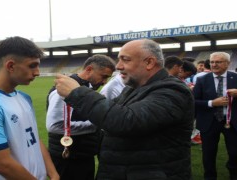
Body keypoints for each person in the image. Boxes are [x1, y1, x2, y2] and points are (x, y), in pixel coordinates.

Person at [54, 39, 194, 179]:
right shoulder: (135, 88)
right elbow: (111, 113)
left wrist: (77, 93)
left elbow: (126, 121)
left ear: (149, 63)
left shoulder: (172, 90)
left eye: (125, 60)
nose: (118, 66)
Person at [0, 36, 59, 180]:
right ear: (10, 66)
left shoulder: (24, 97)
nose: (37, 72)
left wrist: (53, 174)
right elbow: (2, 164)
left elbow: (33, 138)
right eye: (32, 65)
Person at [46, 54, 116, 180]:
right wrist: (97, 124)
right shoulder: (64, 89)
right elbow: (54, 126)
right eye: (103, 76)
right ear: (89, 69)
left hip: (82, 155)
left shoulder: (86, 87)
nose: (105, 82)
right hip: (68, 158)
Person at [193, 52, 237, 180]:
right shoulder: (202, 80)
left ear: (227, 64)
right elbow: (194, 102)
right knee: (208, 155)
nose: (214, 64)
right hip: (209, 122)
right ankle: (210, 177)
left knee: (234, 153)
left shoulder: (235, 77)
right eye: (212, 62)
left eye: (218, 62)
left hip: (232, 122)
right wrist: (212, 103)